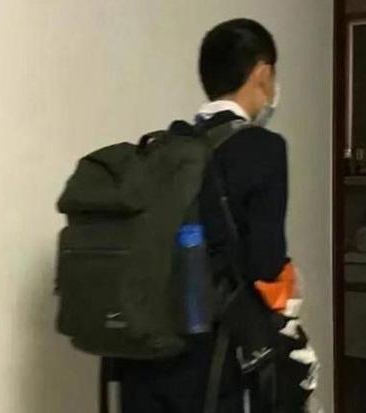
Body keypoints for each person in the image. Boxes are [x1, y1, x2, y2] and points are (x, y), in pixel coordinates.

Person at [118, 18, 289, 413]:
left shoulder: (166, 147)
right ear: (262, 73)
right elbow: (265, 264)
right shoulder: (264, 148)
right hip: (211, 364)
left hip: (144, 359)